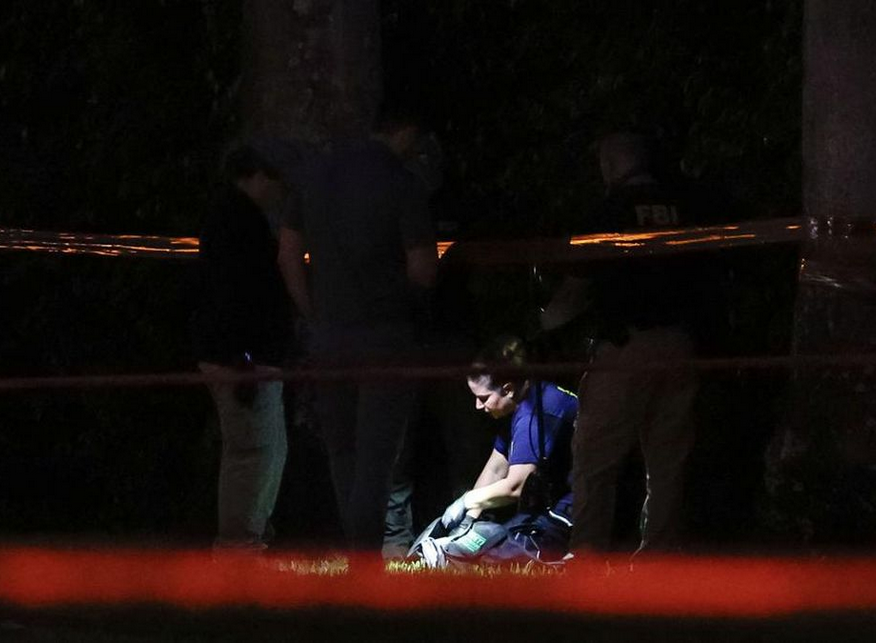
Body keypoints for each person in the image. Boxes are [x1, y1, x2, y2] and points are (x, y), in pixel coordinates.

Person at [277, 103, 437, 551]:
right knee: (377, 457)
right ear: (407, 133)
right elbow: (423, 269)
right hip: (386, 334)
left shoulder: (314, 177)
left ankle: (356, 552)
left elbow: (287, 255)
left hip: (330, 336)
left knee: (342, 451)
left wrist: (313, 312)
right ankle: (364, 558)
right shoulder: (402, 182)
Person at [542, 131, 699, 555]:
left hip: (626, 349)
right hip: (681, 346)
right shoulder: (685, 208)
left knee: (595, 459)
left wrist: (545, 321)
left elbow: (576, 288)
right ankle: (660, 559)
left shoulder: (609, 211)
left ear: (610, 164)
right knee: (668, 464)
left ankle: (588, 557)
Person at [195, 145, 295, 550]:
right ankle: (240, 546)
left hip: (240, 354)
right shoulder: (240, 222)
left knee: (262, 451)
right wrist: (245, 356)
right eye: (273, 180)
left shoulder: (229, 217)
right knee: (254, 452)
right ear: (255, 175)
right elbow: (239, 295)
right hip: (244, 357)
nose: (277, 191)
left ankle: (248, 539)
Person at [426, 335, 577, 565]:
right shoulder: (520, 402)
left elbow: (515, 487)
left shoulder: (535, 413)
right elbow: (496, 468)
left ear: (508, 389)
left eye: (483, 398)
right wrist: (467, 520)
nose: (478, 406)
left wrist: (467, 501)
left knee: (500, 553)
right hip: (553, 503)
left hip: (573, 509)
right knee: (485, 541)